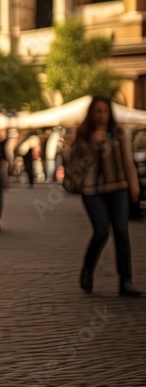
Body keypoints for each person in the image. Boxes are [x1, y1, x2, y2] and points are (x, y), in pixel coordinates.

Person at [69, 96, 141, 297]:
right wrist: (93, 146)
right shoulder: (82, 136)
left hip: (118, 187)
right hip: (92, 191)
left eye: (105, 111)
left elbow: (128, 161)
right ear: (92, 114)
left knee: (120, 230)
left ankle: (125, 281)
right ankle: (87, 271)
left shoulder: (119, 133)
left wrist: (134, 187)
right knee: (101, 230)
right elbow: (77, 168)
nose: (102, 116)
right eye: (98, 111)